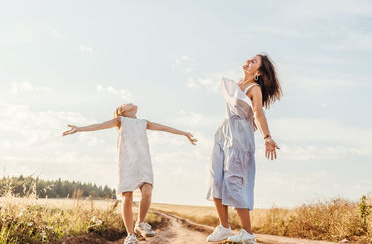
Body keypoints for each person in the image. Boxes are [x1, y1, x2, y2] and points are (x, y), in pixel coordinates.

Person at [63, 103, 197, 244]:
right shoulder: (121, 121)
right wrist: (79, 129)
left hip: (144, 163)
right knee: (127, 197)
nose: (130, 102)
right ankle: (130, 234)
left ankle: (140, 223)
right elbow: (99, 125)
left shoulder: (143, 122)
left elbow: (164, 127)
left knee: (147, 192)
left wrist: (184, 133)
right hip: (127, 164)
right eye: (126, 103)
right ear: (123, 111)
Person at [206, 54, 282, 243]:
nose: (248, 61)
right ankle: (224, 227)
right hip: (223, 135)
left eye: (253, 61)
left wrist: (267, 136)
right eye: (249, 59)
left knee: (234, 181)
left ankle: (247, 233)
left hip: (239, 140)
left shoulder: (254, 88)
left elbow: (258, 112)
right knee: (215, 179)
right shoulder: (236, 84)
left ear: (259, 72)